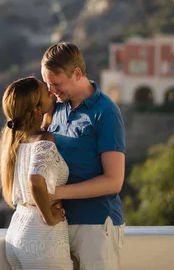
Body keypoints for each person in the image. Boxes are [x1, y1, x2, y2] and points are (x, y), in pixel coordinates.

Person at [41, 42, 126, 270]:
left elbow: (114, 181)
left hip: (96, 227)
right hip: (58, 227)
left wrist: (56, 193)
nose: (51, 91)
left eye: (56, 83)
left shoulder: (106, 112)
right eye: (47, 84)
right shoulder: (55, 107)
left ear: (77, 73)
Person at [0, 76, 73, 270]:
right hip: (41, 236)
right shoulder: (44, 139)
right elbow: (36, 180)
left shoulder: (16, 141)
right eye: (44, 91)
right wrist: (49, 217)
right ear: (37, 109)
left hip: (17, 231)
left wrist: (47, 114)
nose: (50, 91)